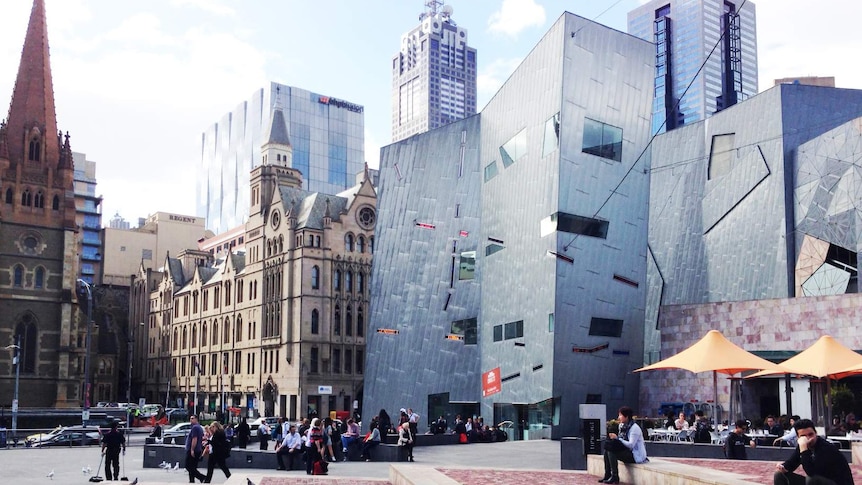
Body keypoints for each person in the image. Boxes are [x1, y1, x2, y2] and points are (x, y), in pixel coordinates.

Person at [773, 418, 853, 485]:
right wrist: (782, 467)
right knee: (779, 475)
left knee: (812, 479)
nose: (808, 438)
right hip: (820, 482)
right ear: (798, 437)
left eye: (810, 434)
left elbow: (811, 472)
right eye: (803, 436)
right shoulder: (803, 445)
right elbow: (791, 463)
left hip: (836, 483)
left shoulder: (826, 448)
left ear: (816, 433)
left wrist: (804, 449)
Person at [599, 406, 647, 484]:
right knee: (607, 448)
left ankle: (615, 476)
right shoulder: (622, 425)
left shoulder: (634, 428)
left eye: (620, 415)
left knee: (611, 451)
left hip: (635, 455)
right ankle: (607, 474)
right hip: (626, 451)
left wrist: (618, 439)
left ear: (626, 417)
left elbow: (631, 445)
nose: (619, 417)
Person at [185, 415, 208, 484]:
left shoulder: (195, 428)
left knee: (188, 467)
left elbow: (194, 439)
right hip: (198, 449)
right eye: (190, 418)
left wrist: (192, 449)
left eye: (192, 418)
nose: (190, 420)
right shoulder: (199, 427)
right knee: (193, 467)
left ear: (196, 419)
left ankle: (202, 477)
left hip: (193, 450)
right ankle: (192, 481)